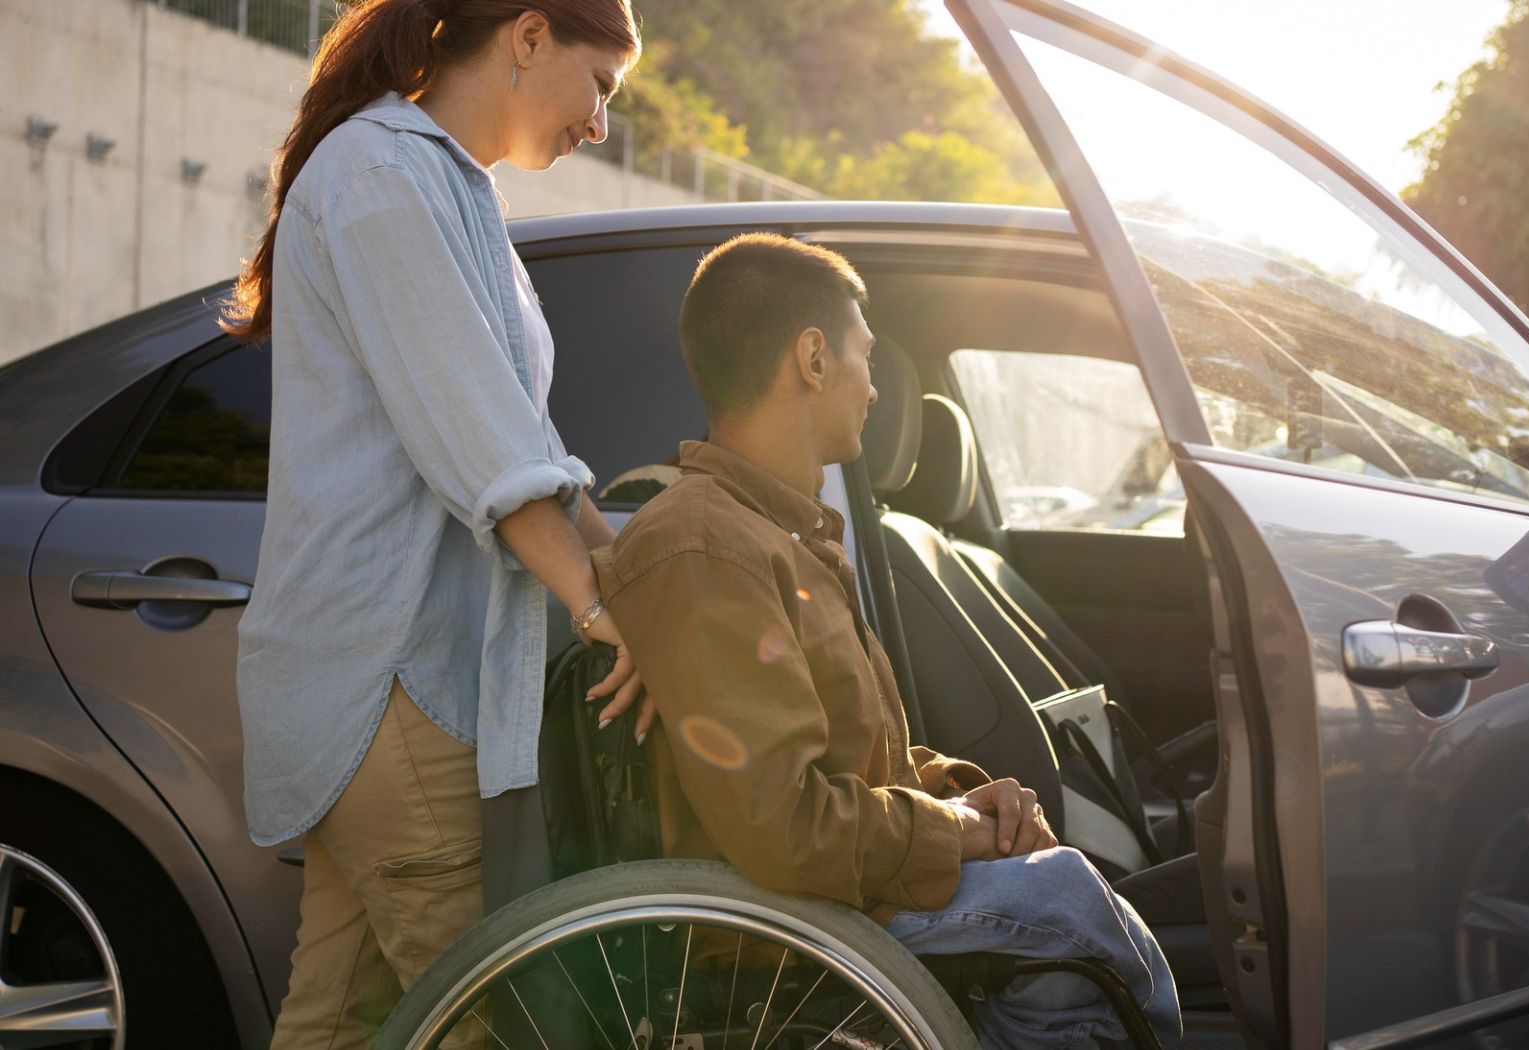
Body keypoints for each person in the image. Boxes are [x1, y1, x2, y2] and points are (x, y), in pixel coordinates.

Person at [591, 233, 1182, 1048]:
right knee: (1070, 909)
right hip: (787, 924)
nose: (875, 387)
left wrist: (971, 797)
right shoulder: (705, 547)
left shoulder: (783, 535)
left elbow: (859, 763)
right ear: (812, 359)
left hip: (851, 884)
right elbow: (786, 829)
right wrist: (960, 833)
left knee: (1065, 885)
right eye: (866, 356)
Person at [221, 1, 646, 1046]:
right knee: (486, 1022)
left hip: (385, 687)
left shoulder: (445, 185)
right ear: (531, 36)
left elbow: (528, 443)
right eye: (601, 88)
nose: (599, 127)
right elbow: (487, 452)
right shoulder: (381, 176)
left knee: (341, 1018)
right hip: (393, 681)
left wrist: (641, 571)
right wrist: (601, 609)